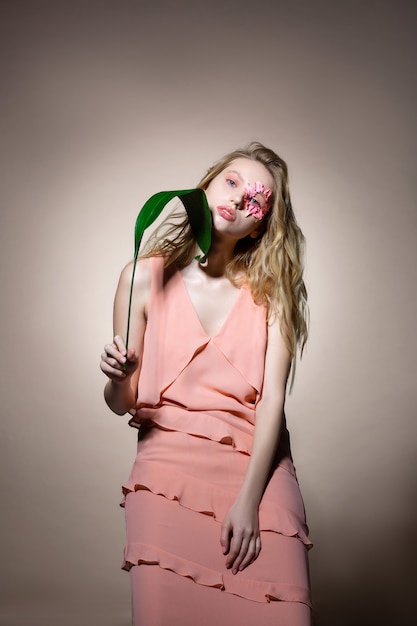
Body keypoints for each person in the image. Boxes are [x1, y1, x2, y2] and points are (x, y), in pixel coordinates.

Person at [100, 141, 312, 625]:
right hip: (167, 472)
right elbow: (121, 403)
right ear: (208, 184)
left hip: (257, 472)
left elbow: (272, 402)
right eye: (231, 181)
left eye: (254, 197)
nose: (237, 198)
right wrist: (118, 376)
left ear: (260, 223)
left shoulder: (272, 295)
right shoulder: (140, 277)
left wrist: (249, 502)